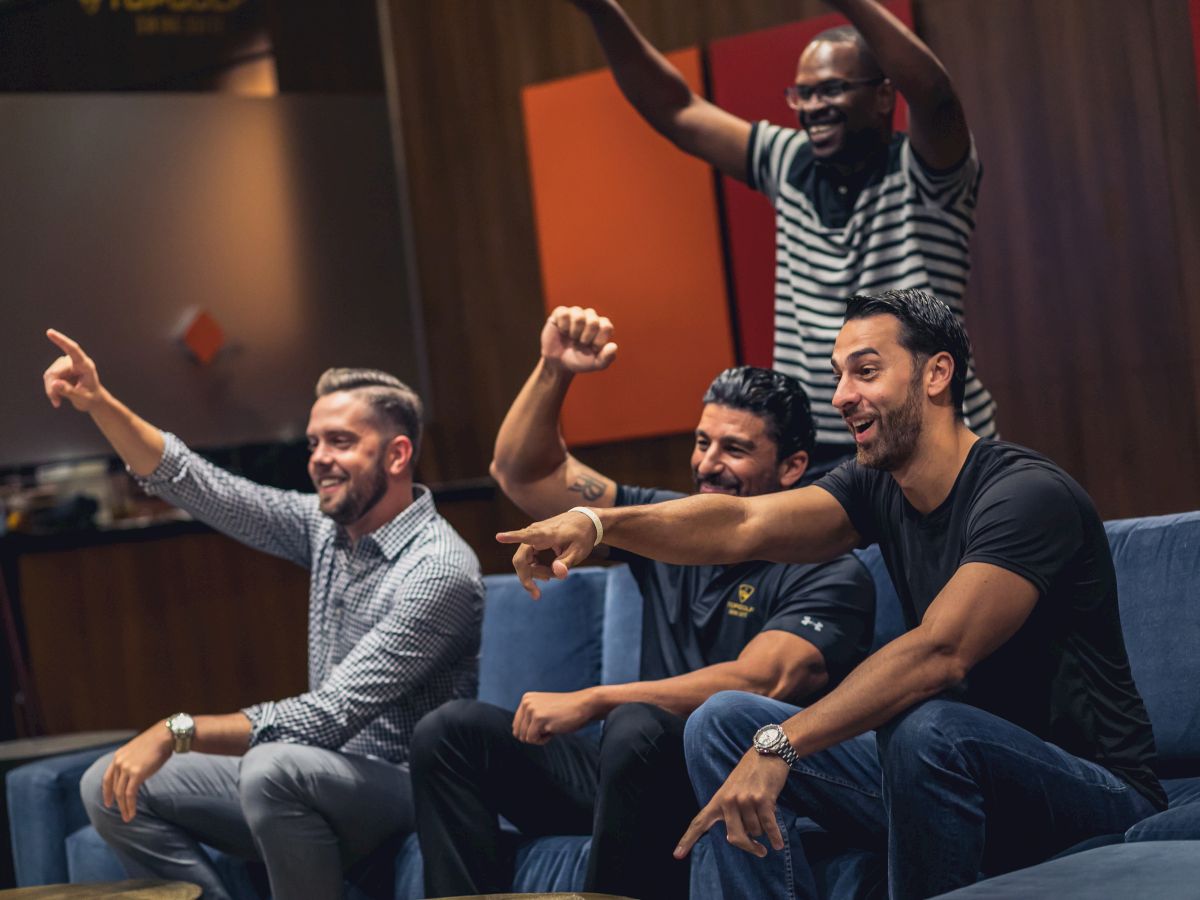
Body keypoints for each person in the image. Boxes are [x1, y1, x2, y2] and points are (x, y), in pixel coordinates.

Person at [498, 290, 1165, 900]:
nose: (842, 395)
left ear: (936, 375)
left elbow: (942, 652)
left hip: (1088, 787)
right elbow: (741, 524)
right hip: (945, 777)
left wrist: (782, 744)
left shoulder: (1023, 496)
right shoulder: (877, 487)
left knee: (927, 725)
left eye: (865, 372)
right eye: (838, 374)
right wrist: (595, 522)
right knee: (724, 720)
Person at [411, 306, 875, 900]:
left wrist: (597, 698)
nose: (708, 464)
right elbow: (523, 472)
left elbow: (759, 682)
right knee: (452, 730)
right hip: (628, 773)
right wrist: (555, 370)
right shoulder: (668, 525)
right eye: (703, 441)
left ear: (791, 468)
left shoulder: (832, 569)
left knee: (636, 725)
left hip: (729, 772)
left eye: (734, 449)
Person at [41, 329, 483, 900]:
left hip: (408, 787)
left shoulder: (439, 570)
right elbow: (204, 488)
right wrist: (99, 403)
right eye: (314, 443)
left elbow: (329, 714)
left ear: (397, 454)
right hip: (318, 771)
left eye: (341, 442)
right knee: (108, 785)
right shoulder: (327, 529)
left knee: (273, 767)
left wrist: (180, 731)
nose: (320, 459)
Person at [565, 0, 997, 474]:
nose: (812, 108)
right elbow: (675, 108)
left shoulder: (929, 173)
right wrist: (601, 11)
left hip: (930, 435)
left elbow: (934, 96)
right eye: (802, 94)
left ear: (883, 95)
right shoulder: (787, 161)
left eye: (832, 89)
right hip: (821, 447)